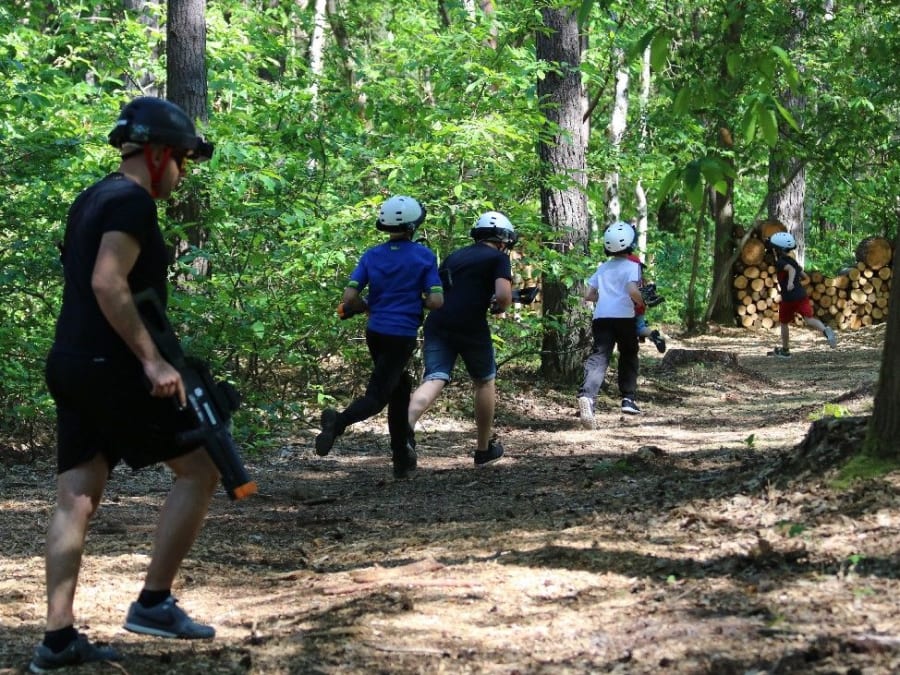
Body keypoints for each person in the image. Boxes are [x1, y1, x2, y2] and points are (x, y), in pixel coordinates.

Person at [31, 97, 219, 673]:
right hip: (112, 366)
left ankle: (57, 639)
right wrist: (152, 361)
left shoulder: (91, 197)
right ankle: (154, 602)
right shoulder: (132, 202)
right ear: (159, 154)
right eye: (182, 161)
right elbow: (107, 282)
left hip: (70, 360)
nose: (182, 174)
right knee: (202, 469)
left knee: (77, 495)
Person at [315, 195, 443, 479]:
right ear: (413, 226)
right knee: (379, 395)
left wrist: (368, 306)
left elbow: (349, 298)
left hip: (375, 333)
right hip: (402, 335)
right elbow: (436, 302)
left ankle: (402, 459)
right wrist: (415, 300)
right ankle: (338, 422)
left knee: (399, 389)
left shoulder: (372, 255)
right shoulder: (423, 257)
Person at [407, 211, 517, 467]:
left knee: (435, 377)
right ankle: (482, 449)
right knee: (484, 381)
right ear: (503, 240)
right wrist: (501, 306)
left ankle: (405, 427)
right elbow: (503, 296)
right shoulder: (498, 258)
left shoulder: (455, 255)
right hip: (470, 324)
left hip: (437, 320)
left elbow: (443, 289)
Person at [577, 221, 645, 429]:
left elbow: (588, 294)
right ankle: (628, 398)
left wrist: (605, 298)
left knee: (600, 356)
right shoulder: (633, 266)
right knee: (628, 354)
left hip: (602, 317)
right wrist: (642, 301)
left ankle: (587, 396)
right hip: (624, 317)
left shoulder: (602, 267)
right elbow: (633, 290)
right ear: (630, 244)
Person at [766, 231, 837, 358]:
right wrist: (796, 284)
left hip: (788, 299)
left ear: (777, 250)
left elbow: (791, 271)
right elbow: (806, 278)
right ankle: (825, 331)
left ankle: (785, 350)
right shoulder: (793, 262)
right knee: (809, 319)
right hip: (801, 296)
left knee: (783, 323)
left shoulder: (781, 263)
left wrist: (789, 284)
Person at [626, 251, 666, 354]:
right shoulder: (641, 280)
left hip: (627, 308)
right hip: (640, 307)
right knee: (640, 327)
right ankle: (653, 335)